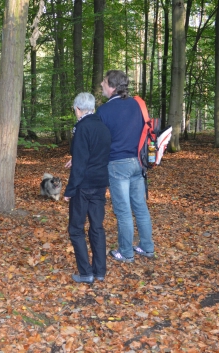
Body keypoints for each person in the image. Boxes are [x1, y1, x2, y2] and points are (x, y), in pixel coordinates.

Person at [96, 70, 154, 262]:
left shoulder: (103, 111)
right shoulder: (137, 104)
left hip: (117, 165)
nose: (101, 85)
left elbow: (100, 141)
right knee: (140, 207)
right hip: (138, 162)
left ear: (112, 86)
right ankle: (147, 247)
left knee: (123, 211)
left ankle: (126, 253)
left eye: (104, 82)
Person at [64, 92, 111, 283]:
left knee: (76, 228)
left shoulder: (81, 128)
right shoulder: (103, 127)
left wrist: (70, 190)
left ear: (77, 108)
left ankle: (86, 273)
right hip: (100, 183)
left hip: (83, 186)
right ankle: (100, 271)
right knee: (97, 227)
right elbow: (96, 153)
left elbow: (81, 165)